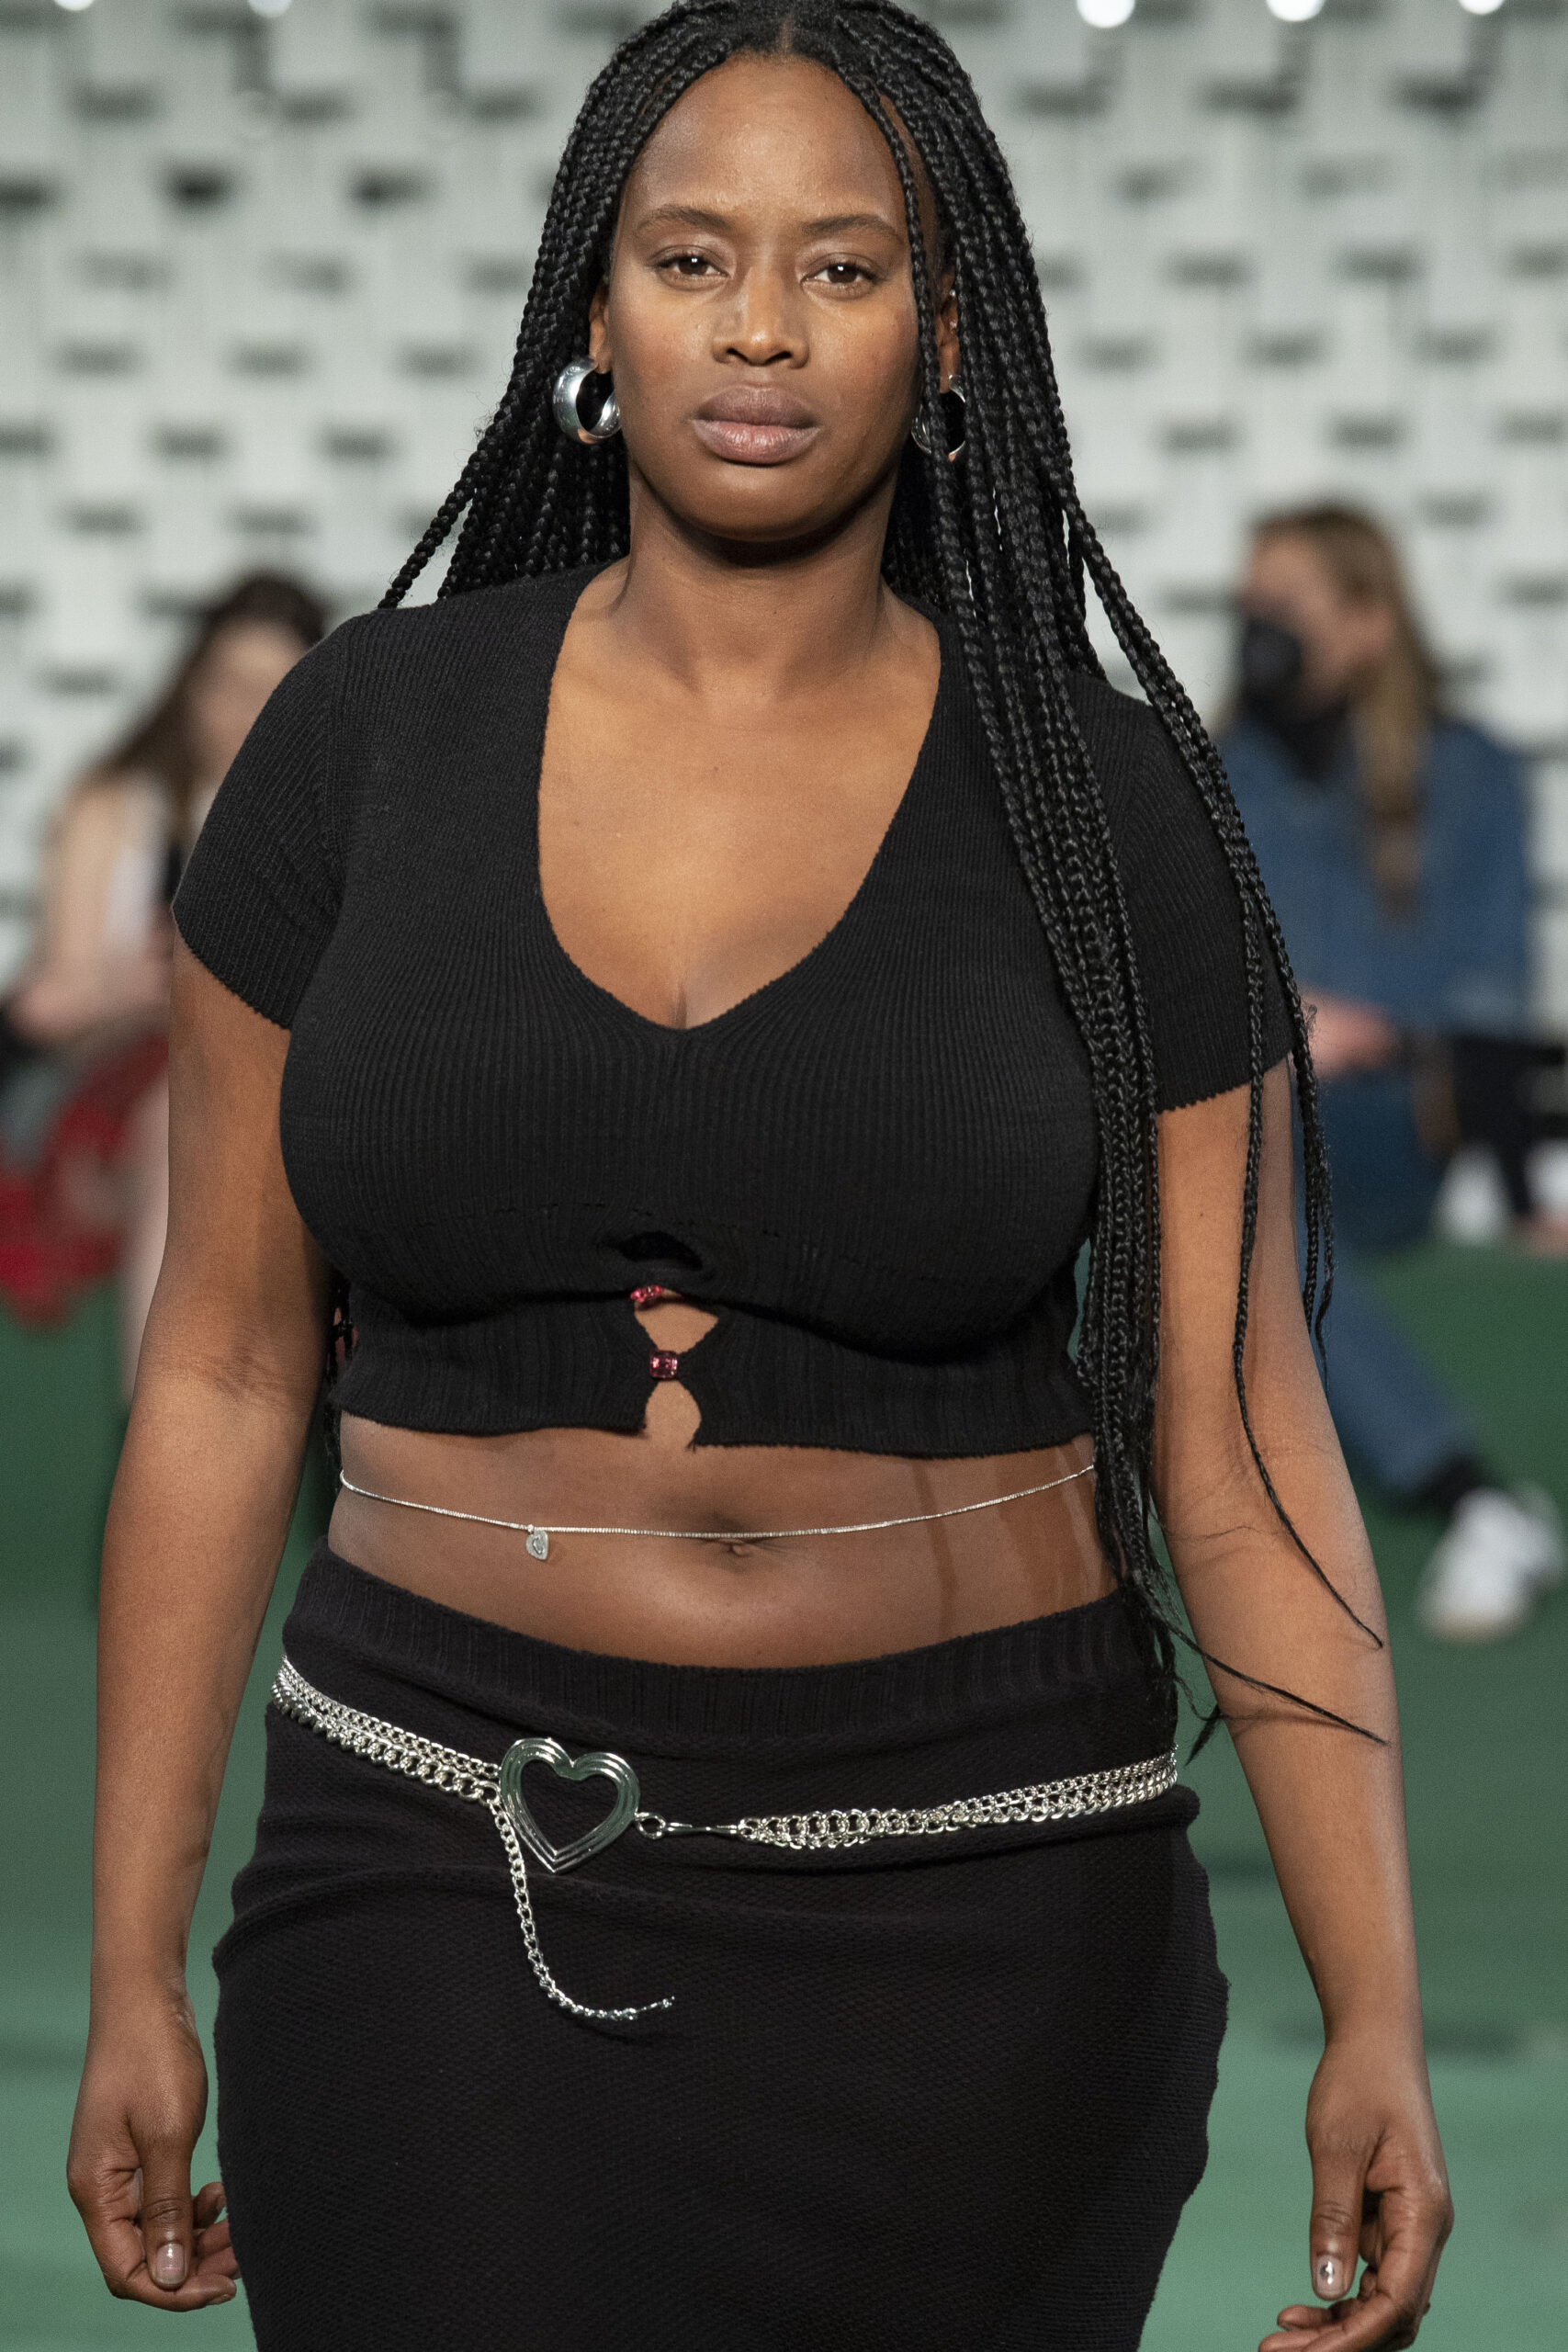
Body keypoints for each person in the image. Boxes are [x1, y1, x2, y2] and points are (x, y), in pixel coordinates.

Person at [66, 10, 1451, 2349]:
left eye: (843, 265)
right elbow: (216, 1371)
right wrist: (130, 1952)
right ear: (592, 311)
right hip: (433, 1848)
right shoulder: (359, 742)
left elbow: (1233, 1439)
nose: (759, 327)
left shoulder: (1106, 803)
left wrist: (1374, 2006)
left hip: (989, 1900)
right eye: (691, 255)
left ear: (946, 333)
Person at [1224, 507, 1564, 1643]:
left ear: (1369, 623)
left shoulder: (1468, 773)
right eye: (1251, 602)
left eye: (1288, 603)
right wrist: (1280, 1022)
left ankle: (1469, 1497)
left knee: (1249, 1193)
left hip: (1384, 1126)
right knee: (1235, 1184)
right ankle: (1478, 1504)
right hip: (1245, 1110)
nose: (1260, 625)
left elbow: (1493, 996)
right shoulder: (1210, 768)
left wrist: (1523, 1190)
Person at [0, 574, 326, 1396]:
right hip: (116, 1082)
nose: (244, 711)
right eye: (229, 683)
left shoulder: (323, 823)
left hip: (261, 1079)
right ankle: (161, 1409)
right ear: (191, 685)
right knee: (183, 1118)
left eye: (270, 689)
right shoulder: (118, 807)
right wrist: (135, 986)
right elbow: (46, 1007)